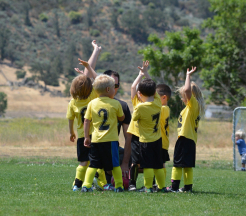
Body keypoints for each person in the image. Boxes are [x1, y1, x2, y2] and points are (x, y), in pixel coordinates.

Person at [67, 40, 107, 191]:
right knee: (98, 161)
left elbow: (70, 119)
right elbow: (92, 76)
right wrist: (95, 51)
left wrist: (71, 133)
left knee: (83, 162)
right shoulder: (93, 97)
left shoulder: (73, 102)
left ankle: (77, 184)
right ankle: (103, 184)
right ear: (91, 88)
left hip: (82, 137)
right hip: (95, 135)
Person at [82, 74, 125, 192]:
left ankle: (86, 186)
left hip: (96, 140)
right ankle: (119, 186)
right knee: (115, 164)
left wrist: (86, 137)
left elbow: (86, 120)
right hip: (111, 141)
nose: (114, 90)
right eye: (113, 88)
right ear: (108, 89)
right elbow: (122, 118)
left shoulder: (92, 103)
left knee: (93, 164)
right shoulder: (115, 103)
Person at [167, 66, 205, 193]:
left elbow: (188, 90)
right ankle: (187, 188)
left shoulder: (192, 104)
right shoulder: (193, 107)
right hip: (190, 140)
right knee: (187, 165)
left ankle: (174, 187)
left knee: (177, 164)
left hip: (184, 138)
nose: (183, 98)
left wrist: (187, 75)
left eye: (184, 95)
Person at [130, 61, 166, 193]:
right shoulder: (157, 102)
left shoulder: (139, 107)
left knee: (147, 166)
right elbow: (153, 90)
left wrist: (142, 74)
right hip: (157, 140)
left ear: (140, 94)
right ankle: (162, 188)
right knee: (158, 165)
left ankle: (148, 188)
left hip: (145, 141)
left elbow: (134, 119)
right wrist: (146, 74)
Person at [127, 61, 151, 191]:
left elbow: (152, 87)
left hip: (148, 136)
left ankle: (150, 184)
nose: (137, 92)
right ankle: (132, 184)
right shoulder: (136, 102)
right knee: (134, 161)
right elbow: (132, 87)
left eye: (140, 91)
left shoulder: (151, 102)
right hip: (137, 136)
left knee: (148, 162)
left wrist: (146, 75)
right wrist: (141, 74)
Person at [155, 83, 172, 191]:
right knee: (160, 164)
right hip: (162, 142)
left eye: (155, 97)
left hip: (160, 142)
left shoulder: (163, 109)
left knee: (161, 164)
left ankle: (160, 185)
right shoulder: (165, 108)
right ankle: (158, 185)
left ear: (164, 98)